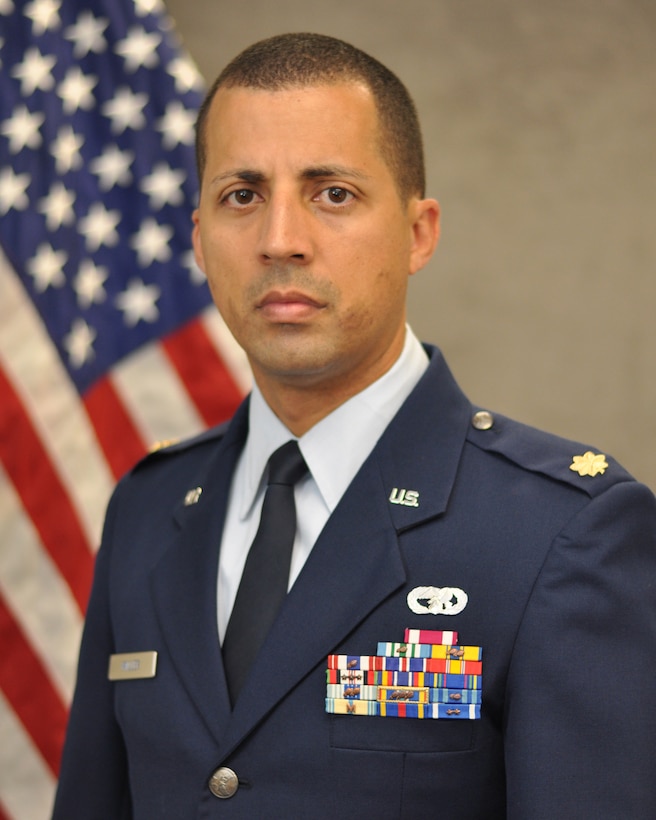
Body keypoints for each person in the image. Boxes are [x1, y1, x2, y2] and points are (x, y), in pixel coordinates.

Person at [53, 32, 656, 819]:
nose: (281, 240)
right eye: (242, 196)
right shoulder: (148, 507)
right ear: (199, 240)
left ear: (418, 233)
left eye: (332, 193)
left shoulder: (561, 534)